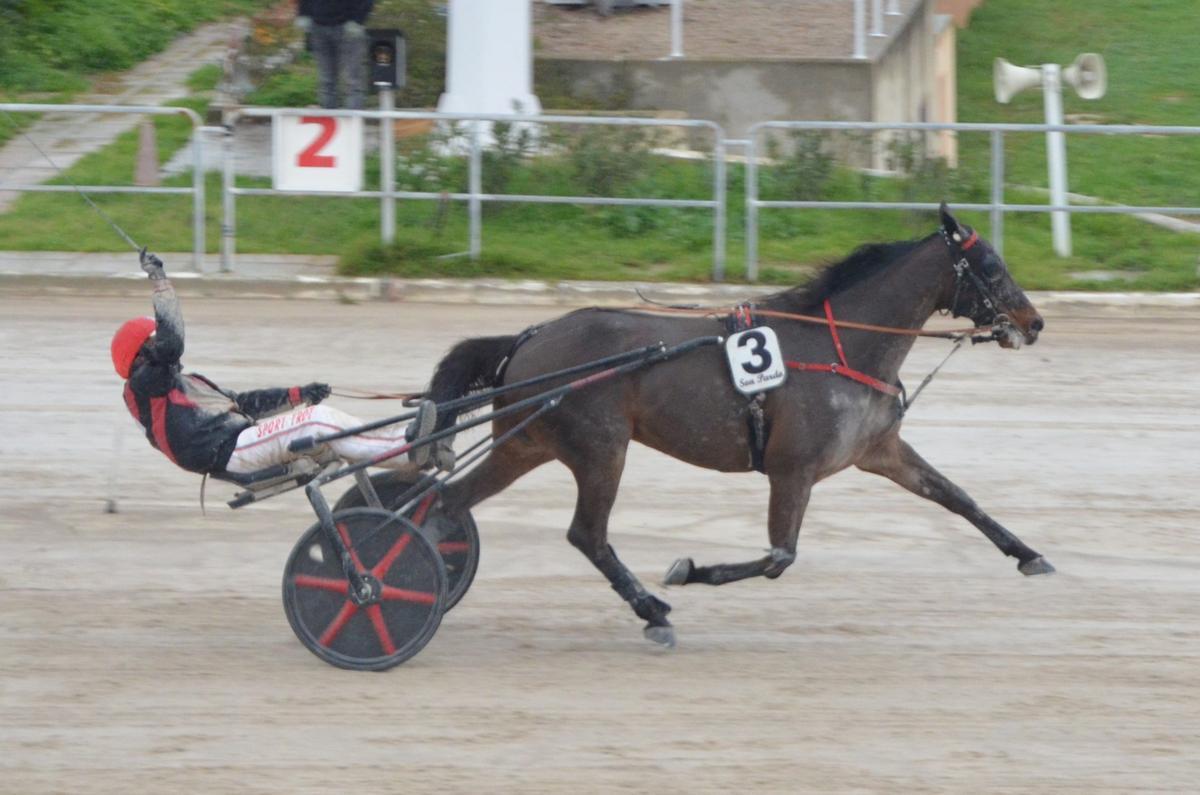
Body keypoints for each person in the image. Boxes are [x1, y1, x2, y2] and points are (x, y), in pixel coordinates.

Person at [112, 249, 434, 479]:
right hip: (232, 451)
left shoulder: (183, 383)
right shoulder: (145, 384)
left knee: (316, 418)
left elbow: (243, 404)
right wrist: (159, 280)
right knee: (316, 421)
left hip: (240, 441)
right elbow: (172, 342)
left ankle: (403, 446)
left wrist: (298, 393)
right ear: (142, 354)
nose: (163, 345)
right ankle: (407, 450)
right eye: (154, 340)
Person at [295, 0, 375, 110]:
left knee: (352, 80)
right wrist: (303, 13)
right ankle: (328, 116)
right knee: (326, 80)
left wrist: (358, 20)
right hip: (318, 27)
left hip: (348, 27)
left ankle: (353, 120)